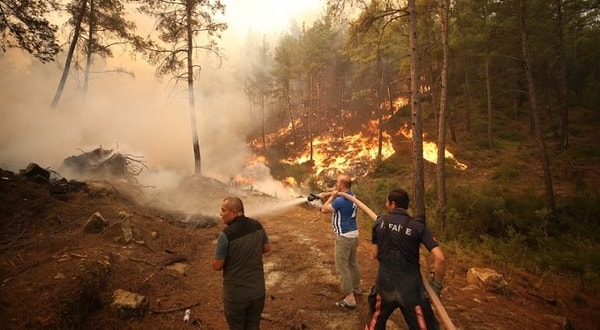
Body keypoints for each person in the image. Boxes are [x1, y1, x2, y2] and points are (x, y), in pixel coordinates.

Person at [365, 188, 446, 330]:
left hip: (384, 286)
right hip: (411, 291)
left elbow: (375, 254)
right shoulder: (418, 226)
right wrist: (436, 287)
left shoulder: (379, 223)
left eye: (387, 202)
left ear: (393, 204)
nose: (386, 204)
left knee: (373, 324)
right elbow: (440, 258)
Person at [212, 197, 271, 330]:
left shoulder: (225, 235)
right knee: (253, 326)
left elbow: (216, 266)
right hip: (258, 292)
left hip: (236, 296)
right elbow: (267, 248)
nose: (220, 213)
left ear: (234, 213)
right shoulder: (257, 225)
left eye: (223, 210)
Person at [320, 173, 362, 309]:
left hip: (343, 237)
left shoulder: (340, 201)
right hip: (354, 235)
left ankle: (350, 298)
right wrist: (331, 194)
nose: (336, 184)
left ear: (342, 185)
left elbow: (324, 210)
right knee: (353, 263)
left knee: (342, 267)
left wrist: (331, 197)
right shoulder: (352, 195)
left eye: (338, 183)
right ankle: (356, 288)